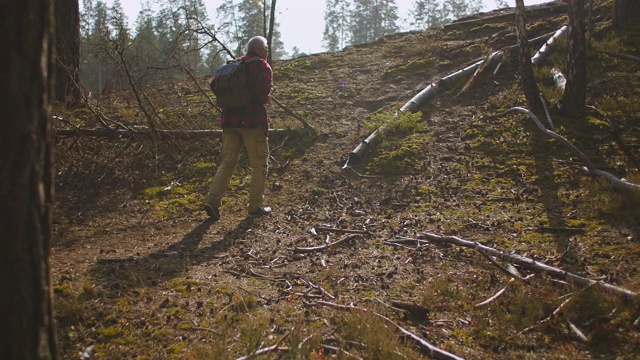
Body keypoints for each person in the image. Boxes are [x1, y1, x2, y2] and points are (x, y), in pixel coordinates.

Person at [204, 36, 273, 220]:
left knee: (227, 162)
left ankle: (212, 201)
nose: (267, 51)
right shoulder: (262, 67)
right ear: (260, 49)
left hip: (230, 121)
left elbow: (214, 85)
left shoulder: (232, 65)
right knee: (259, 165)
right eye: (266, 47)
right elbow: (262, 93)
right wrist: (266, 99)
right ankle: (254, 206)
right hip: (252, 122)